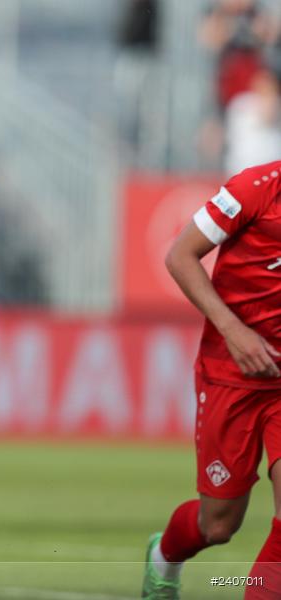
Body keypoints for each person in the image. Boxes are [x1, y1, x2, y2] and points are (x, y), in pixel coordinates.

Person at [141, 160, 281, 599]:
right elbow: (180, 255)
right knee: (219, 524)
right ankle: (164, 558)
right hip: (231, 375)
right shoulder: (256, 188)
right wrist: (233, 329)